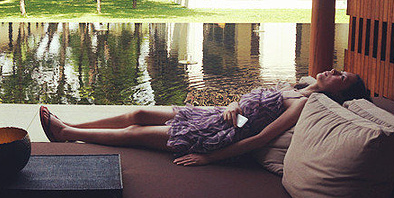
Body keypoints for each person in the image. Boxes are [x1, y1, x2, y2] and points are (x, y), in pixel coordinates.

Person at [39, 69, 371, 166]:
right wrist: (233, 106)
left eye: (341, 77)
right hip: (214, 115)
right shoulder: (297, 86)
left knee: (136, 132)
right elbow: (250, 105)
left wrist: (209, 158)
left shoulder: (301, 105)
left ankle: (66, 133)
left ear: (339, 93)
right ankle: (70, 126)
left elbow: (258, 136)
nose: (334, 71)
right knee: (139, 112)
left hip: (219, 136)